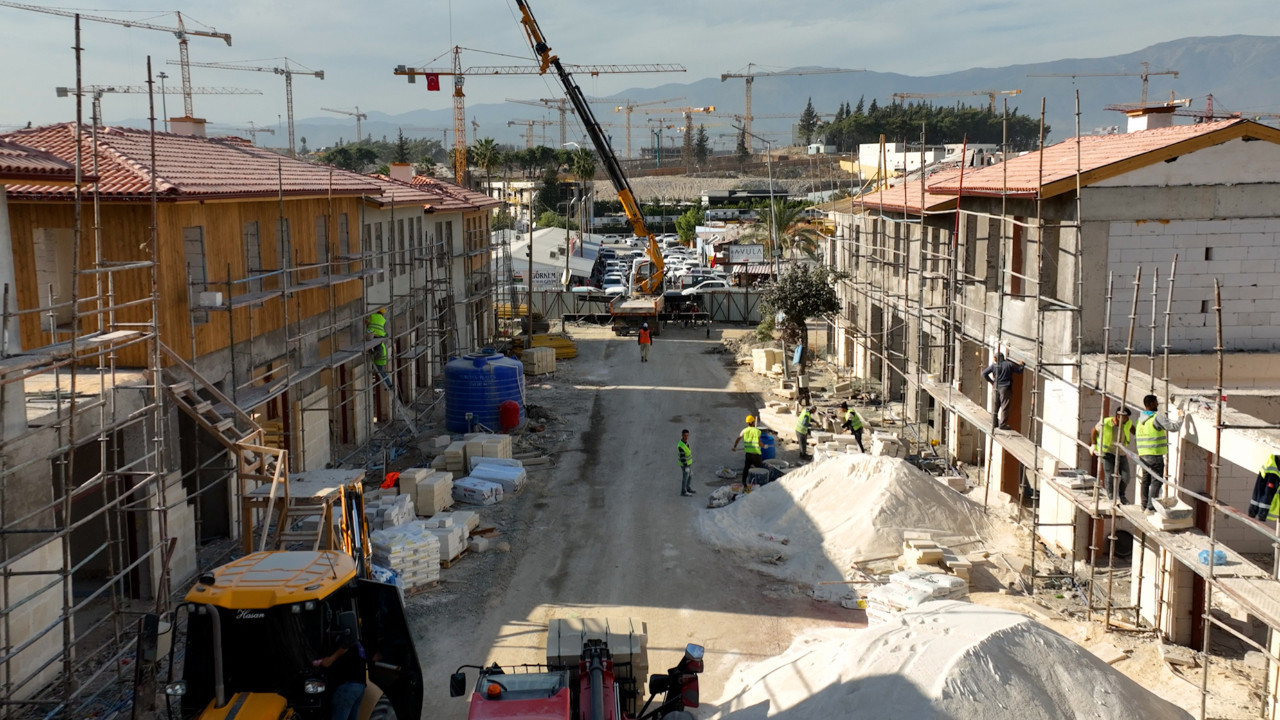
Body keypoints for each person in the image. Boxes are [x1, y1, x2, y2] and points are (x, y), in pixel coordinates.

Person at [1136, 394, 1183, 512]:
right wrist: (1181, 417)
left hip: (1143, 456)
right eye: (1156, 402)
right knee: (1156, 481)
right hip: (1154, 455)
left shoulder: (1140, 420)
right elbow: (1174, 427)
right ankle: (1150, 508)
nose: (1157, 404)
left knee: (1146, 481)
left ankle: (1144, 505)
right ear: (1151, 403)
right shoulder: (1156, 418)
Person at [314, 631, 366, 720]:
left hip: (346, 686)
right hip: (359, 686)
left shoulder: (343, 636)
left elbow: (344, 647)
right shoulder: (358, 641)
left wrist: (330, 659)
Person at [1091, 406, 1135, 504]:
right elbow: (1094, 431)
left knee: (1126, 477)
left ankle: (1121, 495)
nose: (1127, 419)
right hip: (1108, 453)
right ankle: (1111, 497)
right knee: (1109, 476)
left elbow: (1134, 431)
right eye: (1125, 417)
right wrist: (1093, 445)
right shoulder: (1106, 422)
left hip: (1121, 453)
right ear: (1118, 416)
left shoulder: (1127, 423)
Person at [981, 352, 1025, 430]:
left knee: (995, 405)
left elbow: (984, 373)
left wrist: (992, 382)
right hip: (1005, 388)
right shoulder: (1009, 364)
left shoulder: (994, 366)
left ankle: (994, 424)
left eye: (994, 358)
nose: (994, 359)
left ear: (996, 358)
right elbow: (1019, 371)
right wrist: (1022, 365)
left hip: (996, 387)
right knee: (1005, 405)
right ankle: (1003, 424)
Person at [731, 414, 765, 485]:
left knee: (746, 468)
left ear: (747, 423)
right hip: (756, 454)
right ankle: (758, 483)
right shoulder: (757, 431)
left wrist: (734, 447)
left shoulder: (744, 431)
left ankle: (744, 482)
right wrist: (764, 446)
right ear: (753, 422)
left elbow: (738, 438)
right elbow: (759, 442)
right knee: (759, 469)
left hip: (748, 454)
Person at [1249, 453, 1280, 520]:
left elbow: (1258, 491)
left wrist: (1253, 511)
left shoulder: (1270, 467)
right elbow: (1265, 493)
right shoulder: (1272, 471)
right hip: (1271, 509)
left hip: (1271, 509)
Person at [677, 429, 695, 496]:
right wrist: (685, 467)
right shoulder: (681, 445)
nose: (686, 437)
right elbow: (682, 457)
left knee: (690, 475)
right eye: (685, 435)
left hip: (688, 463)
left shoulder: (686, 442)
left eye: (687, 435)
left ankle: (688, 488)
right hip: (685, 464)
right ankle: (683, 491)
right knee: (685, 477)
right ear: (682, 435)